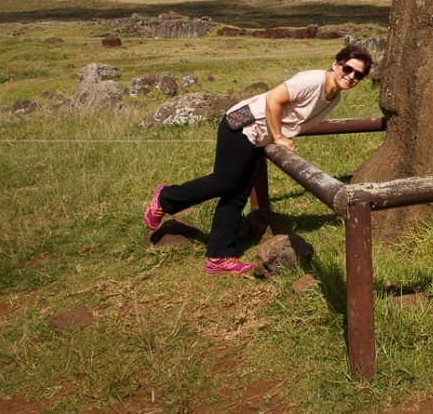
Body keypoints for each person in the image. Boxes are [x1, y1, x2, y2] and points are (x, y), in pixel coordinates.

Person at [144, 44, 372, 274]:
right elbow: (273, 100)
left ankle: (218, 256)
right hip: (242, 126)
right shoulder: (313, 81)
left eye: (359, 75)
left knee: (238, 193)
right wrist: (278, 137)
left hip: (258, 137)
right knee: (224, 182)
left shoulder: (334, 98)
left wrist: (275, 136)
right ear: (336, 64)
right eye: (348, 69)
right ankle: (164, 198)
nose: (352, 76)